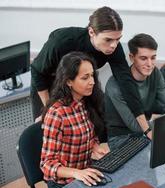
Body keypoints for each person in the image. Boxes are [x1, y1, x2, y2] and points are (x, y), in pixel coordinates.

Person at [30, 6, 149, 134]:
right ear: (91, 32)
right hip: (47, 83)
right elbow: (37, 71)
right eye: (108, 39)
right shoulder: (62, 41)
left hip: (81, 82)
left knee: (98, 120)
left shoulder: (114, 48)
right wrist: (49, 109)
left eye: (118, 39)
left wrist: (146, 128)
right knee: (52, 128)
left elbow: (127, 84)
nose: (114, 45)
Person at [40, 52, 109, 188]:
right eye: (85, 78)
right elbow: (46, 164)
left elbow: (89, 135)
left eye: (92, 76)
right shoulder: (57, 114)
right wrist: (76, 173)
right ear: (68, 81)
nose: (92, 82)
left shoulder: (84, 102)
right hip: (63, 183)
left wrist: (94, 147)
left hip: (85, 173)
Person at [104, 33, 165, 148]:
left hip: (146, 129)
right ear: (131, 58)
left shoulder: (155, 73)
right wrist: (161, 122)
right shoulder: (115, 85)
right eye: (143, 58)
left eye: (153, 57)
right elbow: (135, 126)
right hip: (121, 137)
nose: (149, 64)